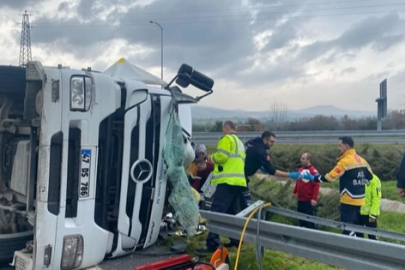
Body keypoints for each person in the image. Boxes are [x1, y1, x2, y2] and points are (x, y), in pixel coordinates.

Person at [301, 137, 373, 237]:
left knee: (347, 228)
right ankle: (359, 249)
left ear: (346, 146)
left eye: (340, 145)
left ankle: (348, 249)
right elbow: (370, 176)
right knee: (358, 228)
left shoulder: (344, 162)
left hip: (348, 200)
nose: (338, 148)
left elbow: (330, 177)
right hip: (361, 200)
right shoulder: (363, 160)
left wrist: (314, 178)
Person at [197, 120, 247, 253]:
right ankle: (236, 240)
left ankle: (212, 244)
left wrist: (211, 157)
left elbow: (222, 157)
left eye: (223, 128)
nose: (222, 130)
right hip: (238, 182)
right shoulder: (239, 143)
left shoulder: (226, 139)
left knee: (216, 212)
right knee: (231, 213)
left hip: (226, 182)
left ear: (226, 128)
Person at [292, 153, 320, 229]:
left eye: (303, 158)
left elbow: (316, 185)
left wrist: (314, 198)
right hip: (300, 200)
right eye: (301, 158)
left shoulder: (313, 171)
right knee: (301, 221)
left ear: (308, 160)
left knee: (310, 222)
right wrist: (294, 192)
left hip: (308, 201)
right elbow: (298, 182)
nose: (301, 160)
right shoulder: (300, 170)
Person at [358, 174, 382, 240]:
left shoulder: (374, 179)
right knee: (358, 236)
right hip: (357, 212)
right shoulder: (357, 178)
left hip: (369, 215)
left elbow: (376, 198)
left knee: (372, 237)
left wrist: (373, 215)